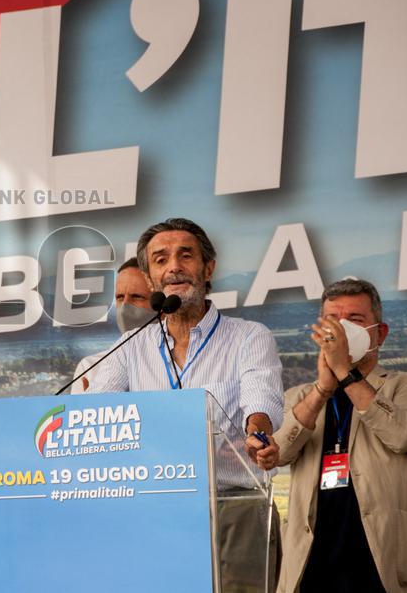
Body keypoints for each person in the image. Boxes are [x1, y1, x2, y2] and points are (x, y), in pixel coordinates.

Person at [78, 218, 284, 590]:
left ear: (208, 268)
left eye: (185, 255)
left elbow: (260, 395)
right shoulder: (130, 348)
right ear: (150, 277)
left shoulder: (249, 336)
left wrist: (258, 434)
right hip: (157, 510)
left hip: (234, 507)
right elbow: (96, 413)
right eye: (160, 259)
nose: (173, 266)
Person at [271, 278, 407, 593]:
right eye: (333, 321)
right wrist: (323, 388)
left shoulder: (406, 384)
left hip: (387, 562)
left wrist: (345, 374)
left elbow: (406, 436)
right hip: (314, 563)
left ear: (380, 333)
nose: (343, 331)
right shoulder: (301, 396)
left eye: (356, 320)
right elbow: (278, 452)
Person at [71, 257, 154, 394]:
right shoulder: (91, 367)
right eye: (120, 297)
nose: (125, 307)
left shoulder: (178, 363)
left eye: (137, 297)